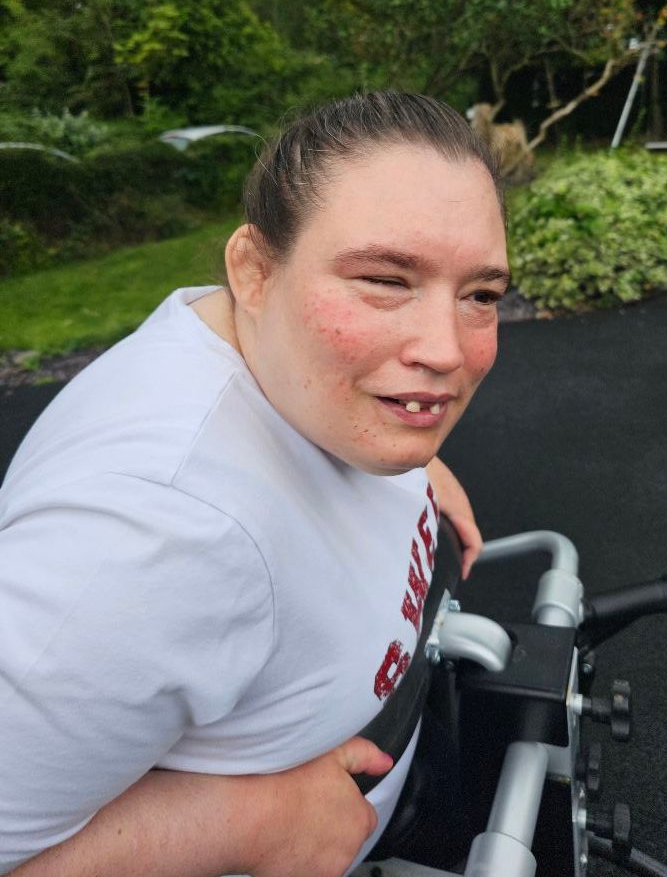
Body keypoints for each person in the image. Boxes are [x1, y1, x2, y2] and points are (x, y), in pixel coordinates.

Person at [0, 91, 509, 876]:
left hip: (402, 754)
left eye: (480, 294)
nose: (446, 350)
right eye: (384, 278)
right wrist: (253, 821)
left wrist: (411, 457)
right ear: (253, 270)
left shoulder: (283, 369)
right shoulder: (148, 537)